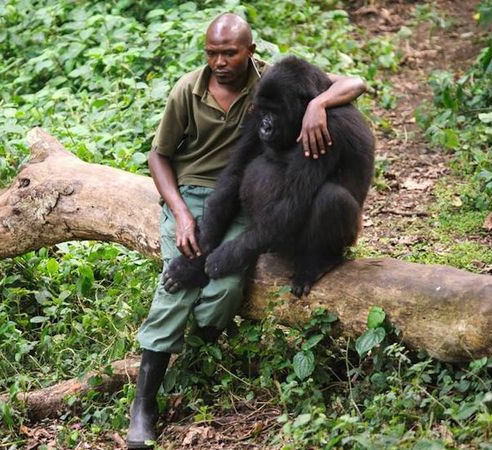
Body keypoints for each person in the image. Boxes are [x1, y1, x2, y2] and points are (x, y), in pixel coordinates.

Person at [126, 13, 367, 449]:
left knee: (319, 208)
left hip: (320, 222)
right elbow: (231, 177)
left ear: (249, 53)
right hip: (200, 197)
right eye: (212, 52)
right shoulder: (244, 95)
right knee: (180, 282)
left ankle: (318, 262)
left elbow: (291, 211)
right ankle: (143, 402)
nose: (266, 123)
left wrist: (318, 105)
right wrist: (192, 234)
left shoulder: (317, 122)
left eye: (229, 52)